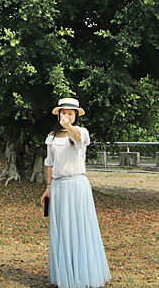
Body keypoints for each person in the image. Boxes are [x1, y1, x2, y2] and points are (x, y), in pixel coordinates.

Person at [40, 97, 112, 288]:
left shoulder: (81, 132)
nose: (66, 116)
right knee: (63, 228)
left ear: (76, 116)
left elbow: (77, 137)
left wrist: (68, 126)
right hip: (59, 186)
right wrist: (48, 187)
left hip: (77, 186)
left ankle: (83, 274)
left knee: (80, 227)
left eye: (70, 113)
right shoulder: (52, 137)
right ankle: (65, 274)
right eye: (64, 112)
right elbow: (50, 162)